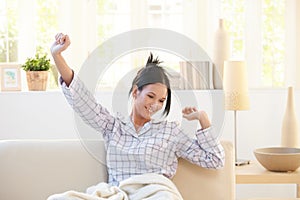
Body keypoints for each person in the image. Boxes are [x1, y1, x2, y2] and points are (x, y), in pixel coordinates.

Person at [50, 33, 225, 191]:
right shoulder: (113, 127)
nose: (155, 105)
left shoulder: (170, 132)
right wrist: (57, 55)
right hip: (120, 194)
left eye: (161, 101)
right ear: (135, 92)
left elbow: (215, 160)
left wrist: (202, 118)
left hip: (156, 194)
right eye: (151, 96)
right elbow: (83, 101)